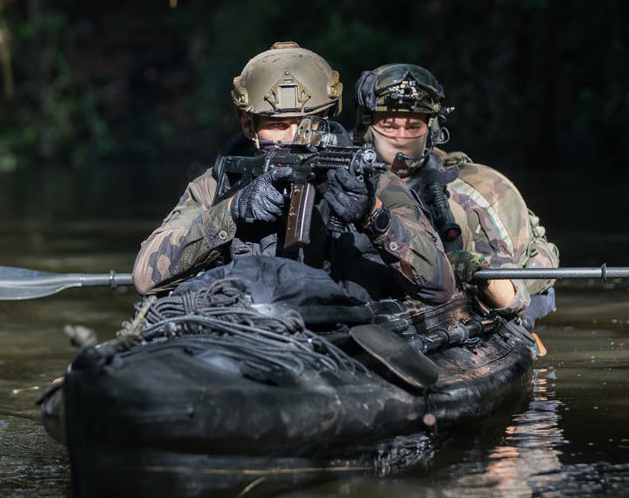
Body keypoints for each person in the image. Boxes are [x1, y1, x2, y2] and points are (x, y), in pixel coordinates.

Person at [132, 43, 456, 305]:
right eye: (277, 124)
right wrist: (231, 212)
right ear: (249, 126)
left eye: (308, 123)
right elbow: (146, 277)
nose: (294, 137)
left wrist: (374, 217)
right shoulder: (216, 185)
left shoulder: (372, 182)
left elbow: (440, 286)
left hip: (353, 344)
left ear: (328, 118)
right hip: (253, 336)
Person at [354, 63, 560, 327]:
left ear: (431, 129)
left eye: (413, 126)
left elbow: (510, 297)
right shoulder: (343, 176)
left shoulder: (466, 196)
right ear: (369, 127)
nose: (400, 137)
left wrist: (474, 271)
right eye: (389, 125)